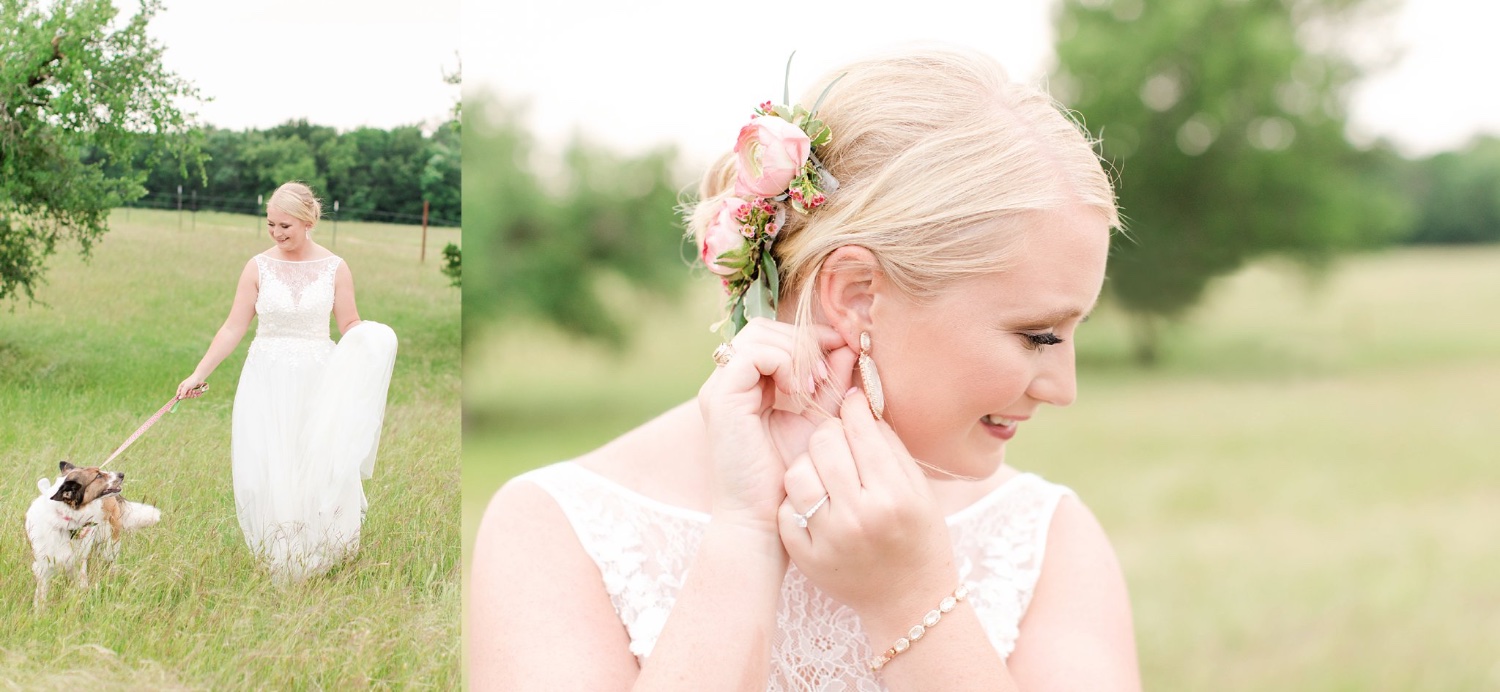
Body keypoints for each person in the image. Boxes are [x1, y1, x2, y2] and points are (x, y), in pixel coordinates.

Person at [470, 46, 1139, 689]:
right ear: (855, 295)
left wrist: (912, 600)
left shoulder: (1043, 537)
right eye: (1038, 335)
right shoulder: (556, 530)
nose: (1065, 389)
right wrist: (747, 537)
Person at [178, 181, 398, 583]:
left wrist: (373, 338)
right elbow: (233, 327)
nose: (278, 234)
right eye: (271, 225)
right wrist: (198, 373)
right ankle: (279, 555)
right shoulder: (257, 266)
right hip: (266, 377)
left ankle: (320, 552)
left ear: (308, 221)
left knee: (314, 462)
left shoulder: (335, 267)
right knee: (265, 466)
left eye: (286, 226)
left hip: (318, 377)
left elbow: (348, 323)